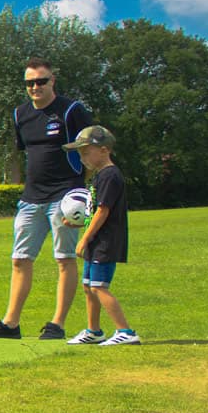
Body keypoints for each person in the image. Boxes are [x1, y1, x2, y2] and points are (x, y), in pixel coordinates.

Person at [0, 58, 93, 340]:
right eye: (30, 83)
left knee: (64, 259)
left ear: (53, 81)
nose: (35, 87)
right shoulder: (20, 115)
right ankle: (10, 324)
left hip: (64, 195)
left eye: (41, 81)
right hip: (31, 197)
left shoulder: (71, 110)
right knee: (20, 259)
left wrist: (81, 193)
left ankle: (57, 325)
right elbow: (23, 154)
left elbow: (91, 150)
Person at [62, 125, 140, 346]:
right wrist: (77, 225)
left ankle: (126, 331)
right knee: (88, 286)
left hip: (106, 242)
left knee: (98, 286)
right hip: (96, 240)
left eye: (86, 152)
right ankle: (94, 331)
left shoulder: (110, 175)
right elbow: (95, 212)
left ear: (104, 150)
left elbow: (104, 211)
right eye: (80, 154)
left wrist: (84, 238)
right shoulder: (99, 176)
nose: (83, 158)